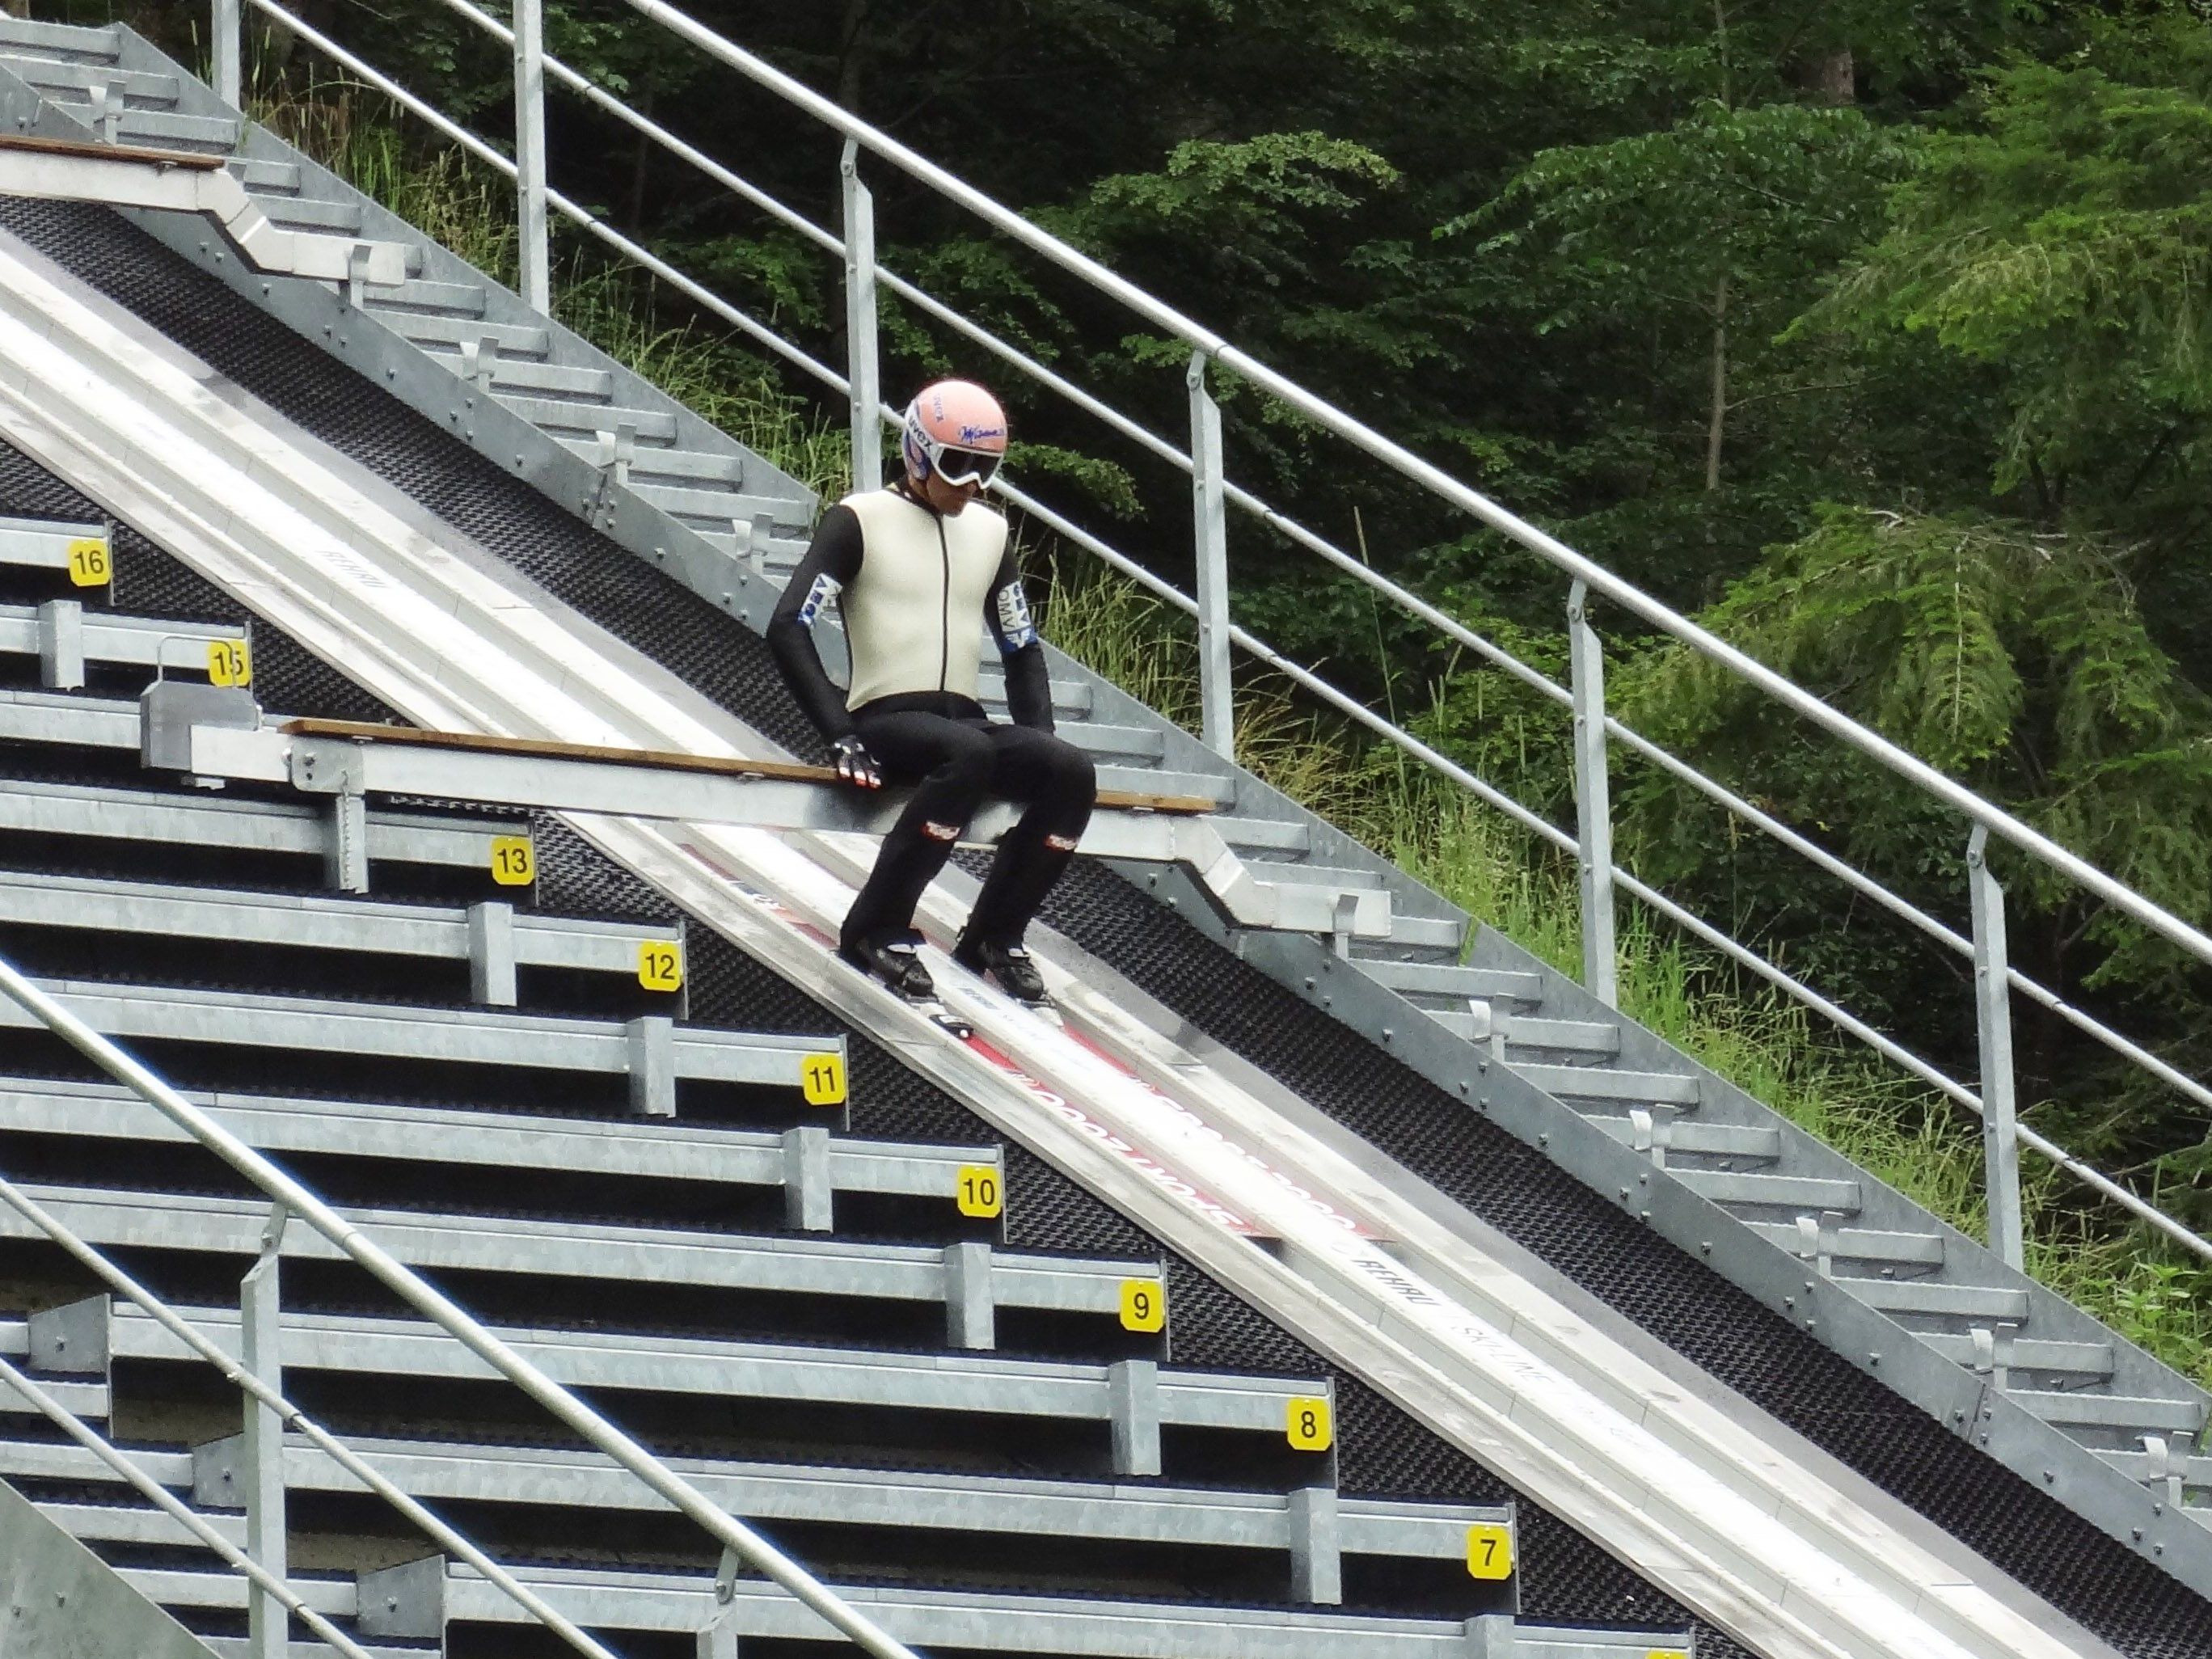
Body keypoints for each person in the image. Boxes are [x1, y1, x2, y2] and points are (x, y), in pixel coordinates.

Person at [767, 378, 1096, 1008]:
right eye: (957, 465)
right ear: (917, 453)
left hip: (963, 720)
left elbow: (1022, 647)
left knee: (1072, 771)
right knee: (968, 755)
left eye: (987, 470)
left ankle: (997, 936)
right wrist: (837, 732)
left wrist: (1041, 746)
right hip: (886, 717)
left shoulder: (991, 533)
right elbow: (788, 624)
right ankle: (876, 928)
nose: (971, 484)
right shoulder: (859, 518)